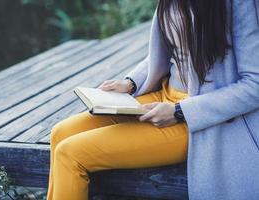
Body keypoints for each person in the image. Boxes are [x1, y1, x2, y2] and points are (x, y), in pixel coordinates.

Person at [47, 0, 259, 199]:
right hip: (163, 97)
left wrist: (180, 111)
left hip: (199, 118)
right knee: (60, 132)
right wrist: (130, 82)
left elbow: (255, 84)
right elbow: (168, 50)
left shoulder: (239, 4)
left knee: (70, 153)